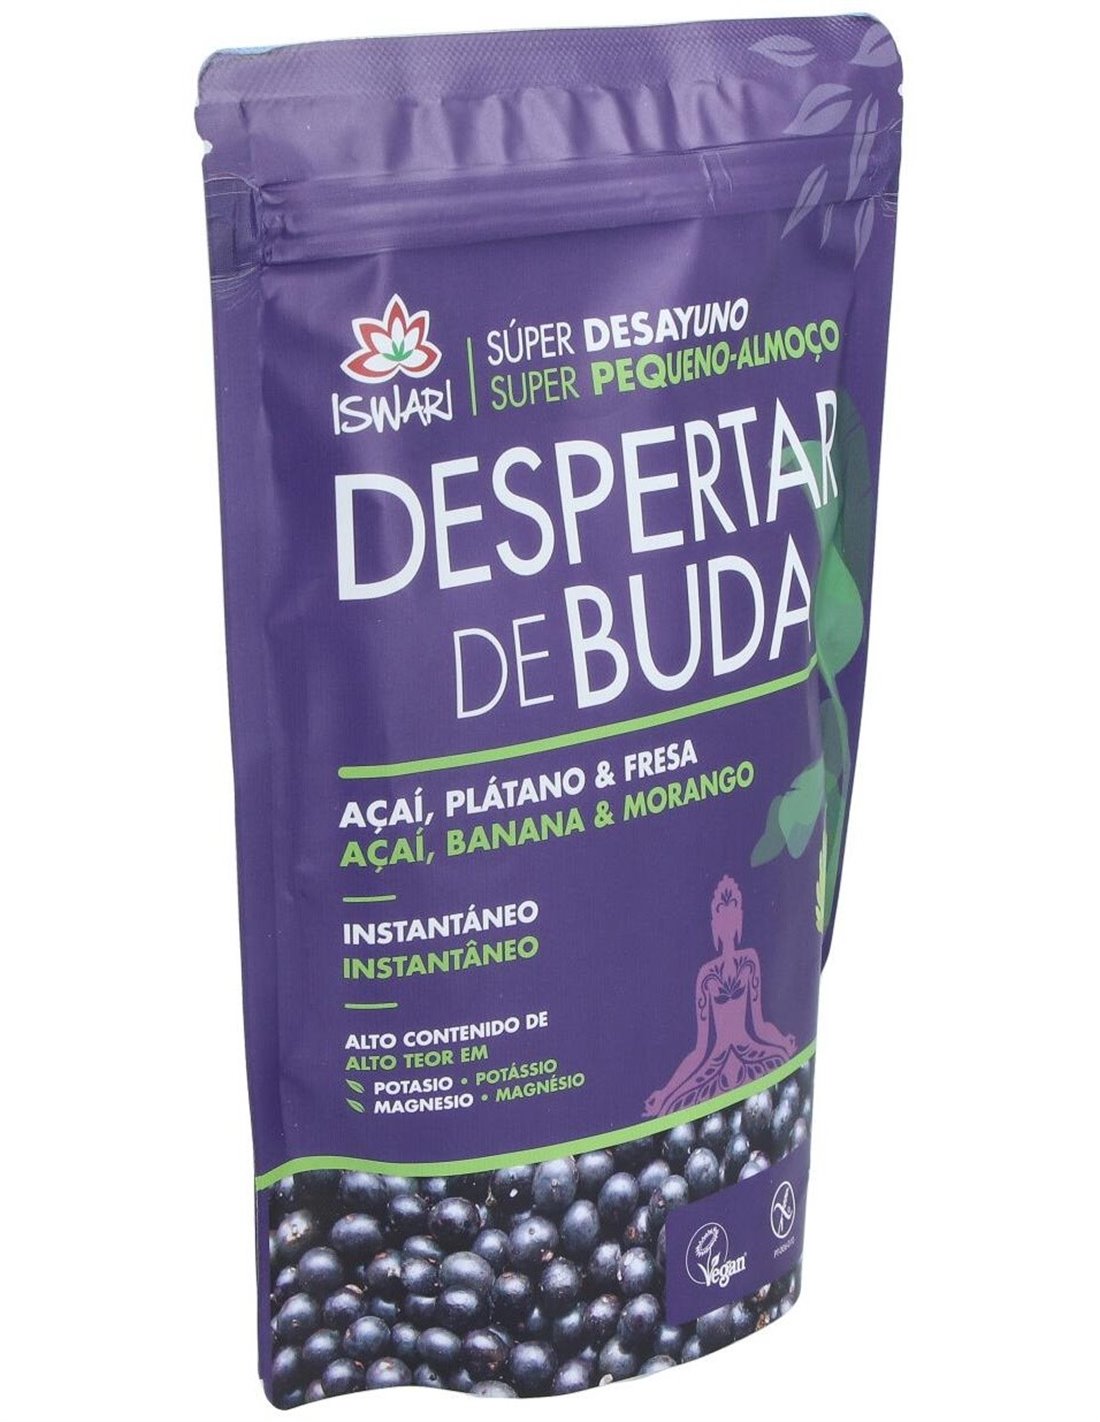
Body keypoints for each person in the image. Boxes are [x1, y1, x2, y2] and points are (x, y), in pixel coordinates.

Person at [644, 875, 795, 1118]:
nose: (727, 924)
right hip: (717, 1064)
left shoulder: (749, 961)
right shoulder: (707, 975)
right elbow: (700, 1050)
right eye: (722, 917)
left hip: (750, 1055)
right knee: (677, 1107)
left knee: (780, 1082)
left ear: (739, 918)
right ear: (714, 923)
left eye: (732, 915)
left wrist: (783, 1044)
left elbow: (760, 1025)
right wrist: (666, 1093)